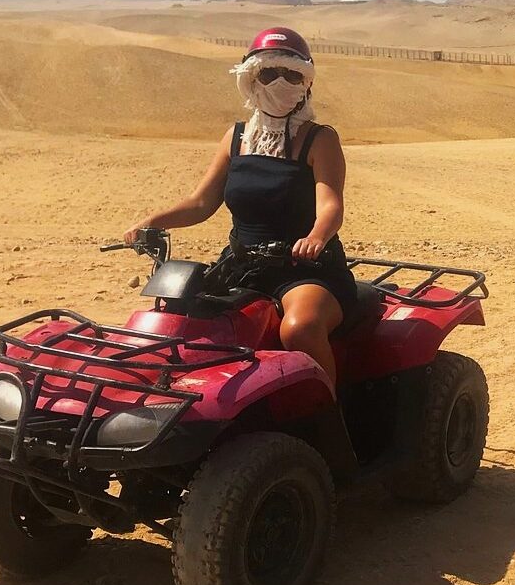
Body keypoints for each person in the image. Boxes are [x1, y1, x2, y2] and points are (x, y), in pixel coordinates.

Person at [124, 26, 357, 383]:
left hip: (305, 270)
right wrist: (153, 221)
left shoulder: (320, 139)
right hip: (241, 266)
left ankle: (328, 418)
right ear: (251, 79)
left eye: (292, 74)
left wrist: (316, 237)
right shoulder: (235, 138)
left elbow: (331, 205)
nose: (281, 82)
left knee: (300, 330)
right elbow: (201, 202)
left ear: (306, 83)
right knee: (183, 319)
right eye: (269, 73)